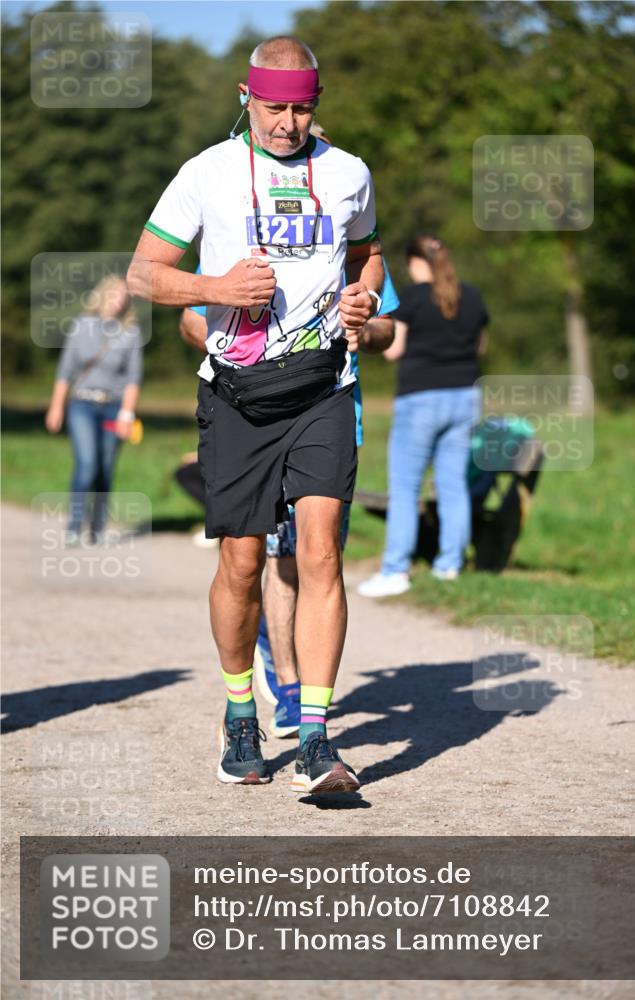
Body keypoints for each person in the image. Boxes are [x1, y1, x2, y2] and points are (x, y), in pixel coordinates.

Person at [128, 36, 384, 793]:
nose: (287, 122)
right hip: (237, 394)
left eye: (302, 107)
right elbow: (144, 274)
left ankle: (313, 735)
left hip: (321, 388)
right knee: (241, 564)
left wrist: (363, 294)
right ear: (247, 98)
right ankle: (240, 710)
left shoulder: (347, 173)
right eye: (274, 107)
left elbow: (368, 252)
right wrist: (216, 289)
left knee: (319, 553)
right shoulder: (205, 173)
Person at [180, 265, 399, 736]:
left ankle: (303, 702)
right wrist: (245, 346)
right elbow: (190, 320)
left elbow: (388, 330)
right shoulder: (238, 231)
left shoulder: (349, 248)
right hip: (257, 417)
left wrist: (364, 324)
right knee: (273, 561)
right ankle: (288, 687)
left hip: (333, 420)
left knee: (318, 557)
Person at [358, 235, 489, 598]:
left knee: (404, 487)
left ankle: (396, 570)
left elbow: (393, 350)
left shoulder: (412, 299)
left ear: (417, 262)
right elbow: (481, 345)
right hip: (465, 398)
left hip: (421, 399)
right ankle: (450, 565)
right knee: (453, 484)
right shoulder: (472, 296)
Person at [45, 275, 143, 546]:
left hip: (113, 407)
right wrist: (56, 407)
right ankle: (74, 526)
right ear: (101, 296)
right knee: (87, 463)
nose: (119, 300)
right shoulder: (81, 326)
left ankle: (97, 527)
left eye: (124, 296)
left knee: (105, 467)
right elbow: (65, 371)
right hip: (82, 404)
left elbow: (134, 379)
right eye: (114, 294)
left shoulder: (131, 333)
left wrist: (126, 414)